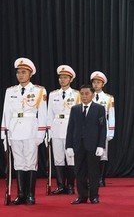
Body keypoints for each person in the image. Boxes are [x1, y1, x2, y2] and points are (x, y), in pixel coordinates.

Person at [0, 57, 48, 205]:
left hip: (31, 130)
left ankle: (30, 195)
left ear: (30, 74)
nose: (20, 75)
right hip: (14, 130)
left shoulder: (39, 90)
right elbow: (6, 113)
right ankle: (20, 194)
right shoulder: (10, 91)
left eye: (23, 72)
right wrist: (4, 133)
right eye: (18, 72)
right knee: (18, 163)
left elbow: (43, 113)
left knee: (30, 163)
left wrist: (41, 134)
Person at [65, 84, 107, 204]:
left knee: (93, 172)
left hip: (93, 145)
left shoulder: (99, 109)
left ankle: (94, 195)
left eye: (87, 93)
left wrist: (101, 145)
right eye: (82, 94)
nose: (84, 96)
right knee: (79, 172)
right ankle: (82, 196)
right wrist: (69, 145)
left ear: (93, 95)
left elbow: (102, 128)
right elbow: (70, 128)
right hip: (78, 145)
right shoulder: (75, 109)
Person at [47, 65, 80, 195]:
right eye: (60, 77)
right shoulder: (53, 94)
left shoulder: (77, 94)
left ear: (71, 79)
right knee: (58, 158)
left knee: (70, 158)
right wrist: (48, 131)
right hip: (56, 128)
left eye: (65, 77)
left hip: (70, 128)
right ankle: (61, 185)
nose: (62, 80)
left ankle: (71, 185)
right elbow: (49, 114)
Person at [90, 71, 115, 186]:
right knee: (90, 153)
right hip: (90, 129)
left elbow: (111, 115)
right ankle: (91, 178)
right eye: (94, 82)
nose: (96, 84)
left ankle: (101, 178)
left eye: (98, 82)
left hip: (103, 128)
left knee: (103, 154)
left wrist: (111, 131)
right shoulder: (87, 95)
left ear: (103, 84)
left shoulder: (108, 98)